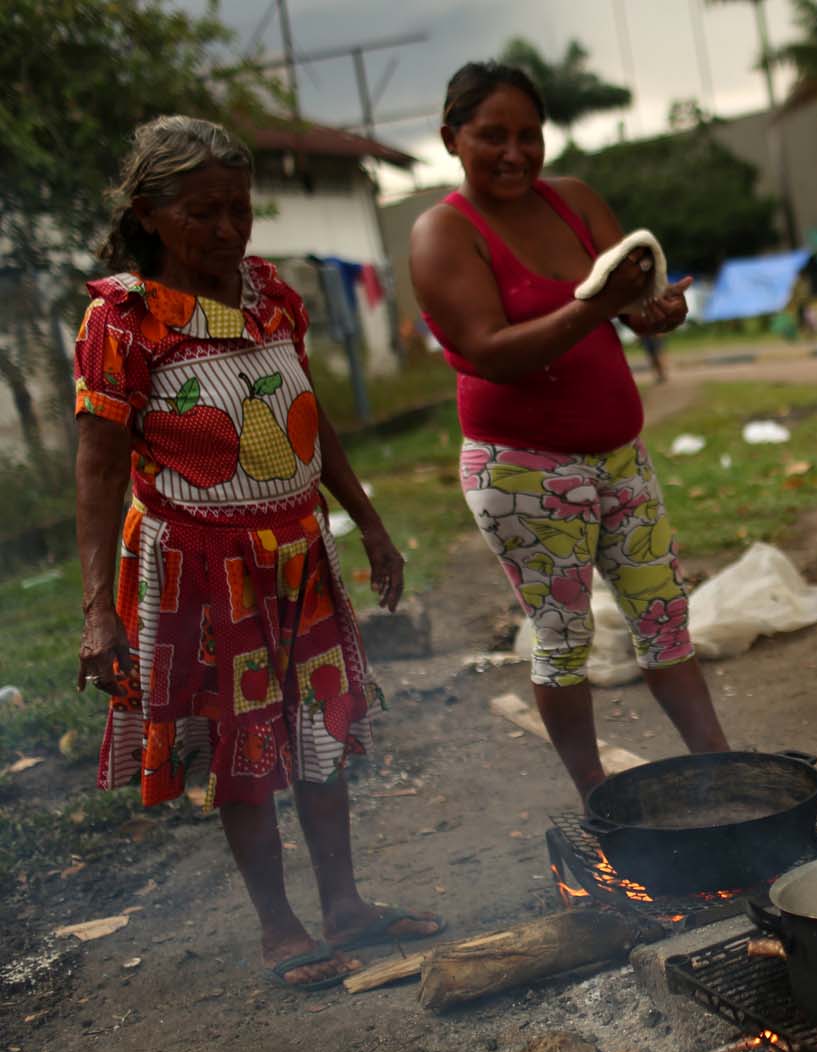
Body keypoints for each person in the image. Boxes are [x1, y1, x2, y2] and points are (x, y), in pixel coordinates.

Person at [74, 117, 441, 991]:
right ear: (152, 214)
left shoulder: (270, 293)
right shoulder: (121, 321)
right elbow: (95, 473)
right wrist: (98, 613)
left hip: (299, 555)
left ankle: (345, 905)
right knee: (242, 748)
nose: (230, 229)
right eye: (205, 212)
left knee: (319, 731)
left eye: (240, 209)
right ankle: (280, 927)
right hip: (201, 568)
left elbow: (308, 417)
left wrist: (370, 521)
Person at [409, 63, 728, 801]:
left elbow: (634, 298)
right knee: (563, 641)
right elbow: (490, 350)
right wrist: (596, 308)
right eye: (493, 136)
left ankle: (723, 772)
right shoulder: (443, 233)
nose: (515, 152)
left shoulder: (576, 202)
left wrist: (656, 311)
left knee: (665, 618)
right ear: (452, 138)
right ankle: (599, 796)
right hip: (522, 472)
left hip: (621, 455)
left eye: (529, 135)